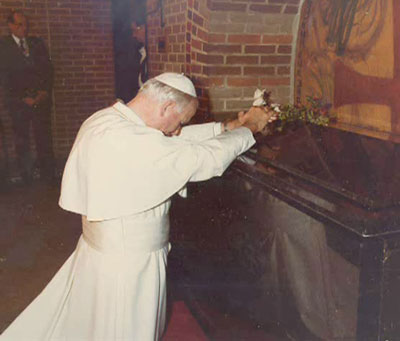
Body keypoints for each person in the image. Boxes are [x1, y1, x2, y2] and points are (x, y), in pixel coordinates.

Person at [0, 72, 274, 340]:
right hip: (129, 264)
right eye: (180, 121)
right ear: (166, 106)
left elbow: (168, 140)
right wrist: (250, 128)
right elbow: (203, 158)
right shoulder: (132, 140)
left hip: (105, 253)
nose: (178, 130)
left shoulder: (111, 119)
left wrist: (225, 128)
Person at [0, 10, 55, 184]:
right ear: (10, 26)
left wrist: (43, 92)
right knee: (21, 138)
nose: (24, 28)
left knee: (43, 138)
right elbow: (4, 76)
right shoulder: (3, 46)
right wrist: (23, 97)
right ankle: (26, 177)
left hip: (40, 99)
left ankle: (48, 175)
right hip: (18, 102)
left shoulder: (37, 43)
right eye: (19, 24)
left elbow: (48, 70)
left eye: (25, 24)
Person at [115, 19, 147, 103]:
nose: (134, 35)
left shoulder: (151, 53)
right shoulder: (134, 52)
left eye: (136, 30)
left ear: (144, 28)